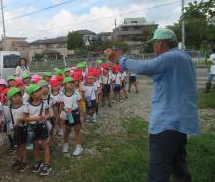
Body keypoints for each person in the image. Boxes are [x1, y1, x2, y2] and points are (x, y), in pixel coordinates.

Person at [106, 28, 200, 182]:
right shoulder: (184, 56)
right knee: (178, 163)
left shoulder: (171, 57)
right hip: (179, 121)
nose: (153, 47)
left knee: (158, 171)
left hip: (167, 123)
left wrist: (117, 58)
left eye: (154, 44)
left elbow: (144, 67)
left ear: (160, 43)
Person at [23, 84, 52, 176]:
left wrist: (45, 117)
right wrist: (36, 118)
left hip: (42, 126)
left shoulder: (44, 103)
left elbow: (48, 114)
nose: (39, 92)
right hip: (31, 127)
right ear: (31, 95)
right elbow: (25, 118)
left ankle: (47, 164)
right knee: (35, 145)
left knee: (45, 145)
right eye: (36, 91)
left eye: (39, 90)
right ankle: (38, 161)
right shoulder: (27, 105)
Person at [6, 88, 28, 173]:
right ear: (10, 99)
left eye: (19, 95)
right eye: (14, 96)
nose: (17, 98)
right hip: (15, 129)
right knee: (17, 145)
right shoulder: (10, 108)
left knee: (23, 145)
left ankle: (24, 161)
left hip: (23, 128)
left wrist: (23, 119)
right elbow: (9, 118)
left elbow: (27, 116)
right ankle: (19, 159)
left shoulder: (24, 106)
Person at [60, 77, 83, 156]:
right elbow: (61, 105)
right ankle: (65, 144)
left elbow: (80, 106)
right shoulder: (62, 95)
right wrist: (61, 117)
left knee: (77, 130)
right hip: (67, 113)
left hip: (75, 112)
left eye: (73, 82)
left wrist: (81, 116)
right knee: (67, 130)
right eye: (69, 82)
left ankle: (79, 147)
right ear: (65, 85)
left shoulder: (77, 94)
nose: (71, 84)